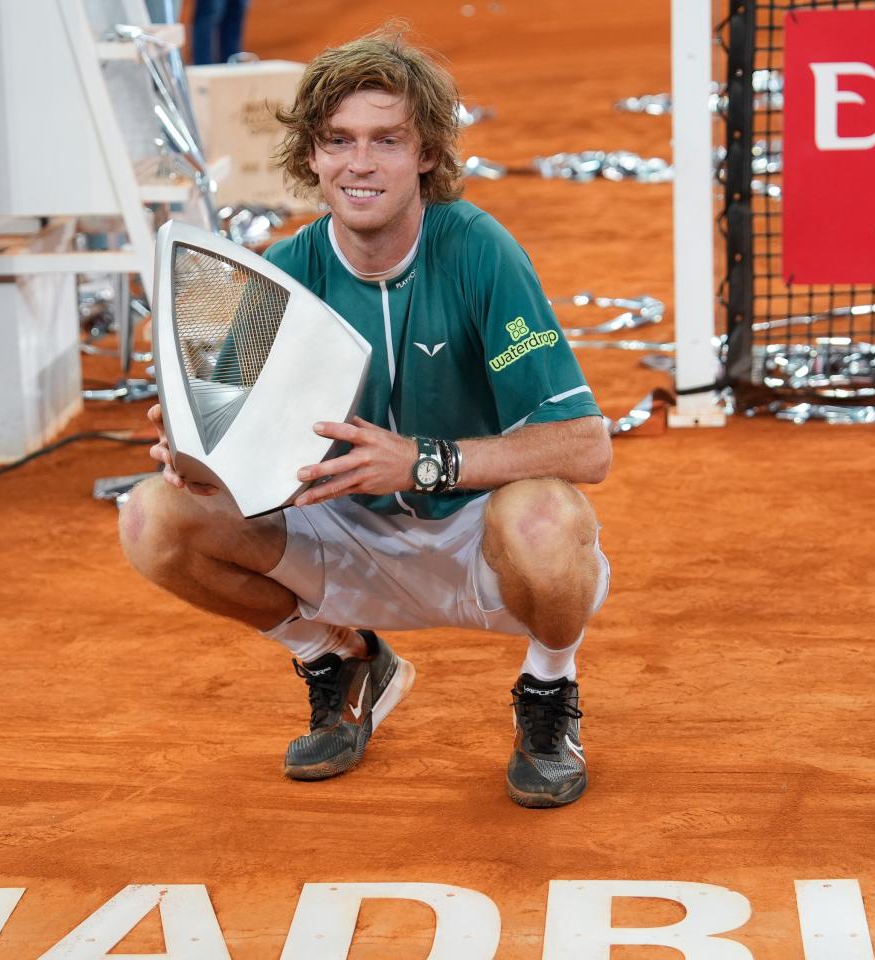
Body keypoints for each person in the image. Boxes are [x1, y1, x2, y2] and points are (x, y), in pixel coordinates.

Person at [119, 26, 611, 808]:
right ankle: (338, 660)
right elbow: (227, 446)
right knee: (152, 518)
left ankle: (548, 694)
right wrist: (189, 451)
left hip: (472, 537)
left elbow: (586, 446)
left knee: (550, 518)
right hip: (340, 535)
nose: (360, 162)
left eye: (387, 140)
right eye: (339, 140)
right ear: (311, 155)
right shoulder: (278, 278)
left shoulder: (479, 250)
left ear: (425, 155)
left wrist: (424, 461)